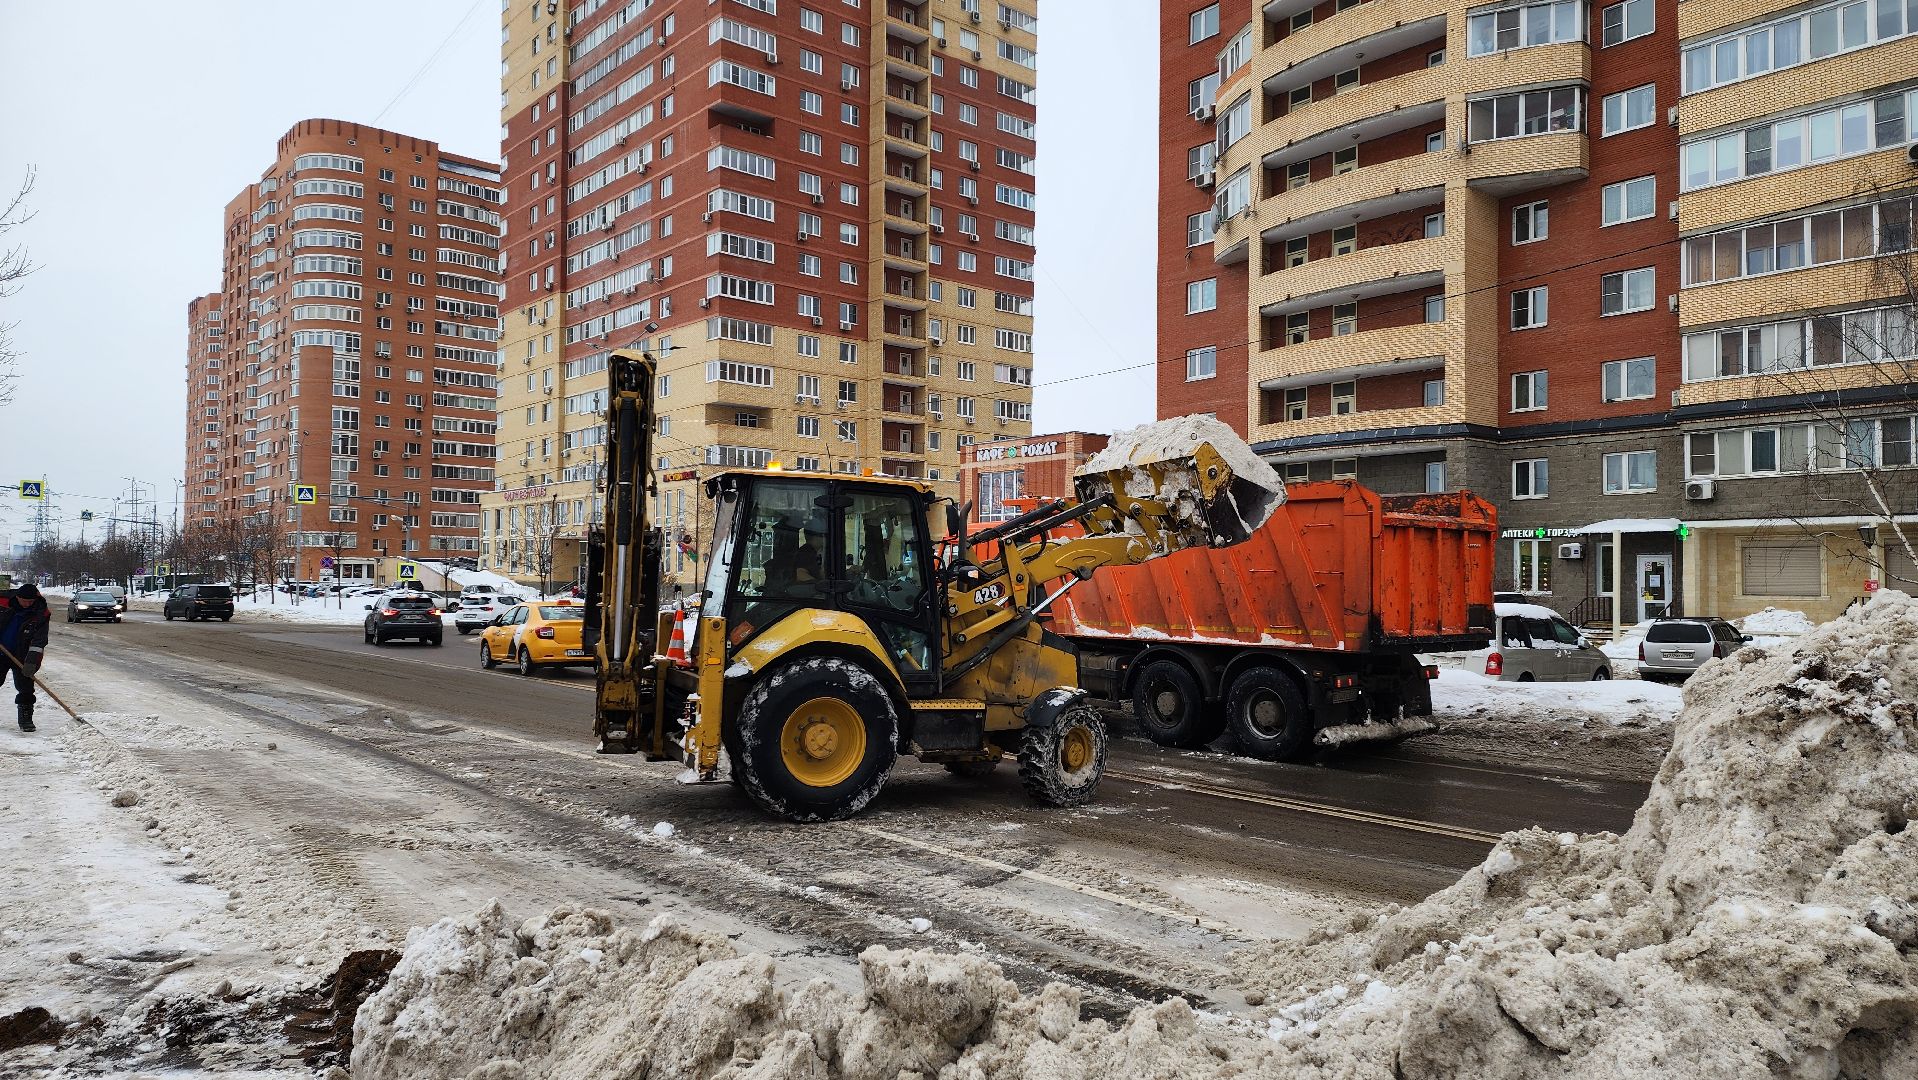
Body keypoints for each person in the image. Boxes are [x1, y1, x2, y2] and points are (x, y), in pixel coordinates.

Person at [0, 583, 51, 732]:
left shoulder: (41, 613)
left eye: (31, 601)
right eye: (24, 601)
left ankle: (26, 718)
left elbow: (39, 640)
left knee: (26, 688)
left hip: (23, 655)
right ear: (17, 597)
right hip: (1, 652)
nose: (28, 604)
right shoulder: (3, 601)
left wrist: (32, 662)